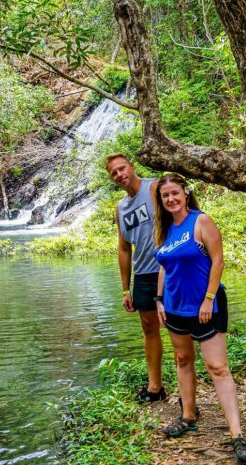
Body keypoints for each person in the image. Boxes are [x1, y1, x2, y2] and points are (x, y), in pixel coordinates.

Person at [152, 173, 246, 463]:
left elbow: (218, 260)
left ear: (185, 193)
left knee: (218, 367)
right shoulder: (163, 228)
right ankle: (187, 416)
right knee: (183, 360)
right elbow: (164, 265)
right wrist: (159, 300)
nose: (171, 199)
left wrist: (208, 298)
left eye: (175, 193)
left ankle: (236, 435)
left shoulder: (201, 221)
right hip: (173, 307)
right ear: (160, 201)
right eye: (165, 196)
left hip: (205, 305)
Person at [106, 153, 166, 403]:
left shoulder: (155, 188)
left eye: (122, 168)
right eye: (114, 173)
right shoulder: (121, 208)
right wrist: (124, 289)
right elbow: (124, 249)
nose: (120, 174)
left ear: (132, 166)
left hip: (167, 269)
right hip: (142, 274)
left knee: (176, 330)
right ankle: (155, 387)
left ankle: (188, 393)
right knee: (149, 328)